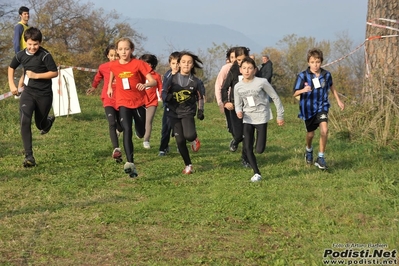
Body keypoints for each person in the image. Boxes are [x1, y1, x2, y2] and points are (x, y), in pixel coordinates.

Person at [8, 27, 58, 167]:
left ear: (40, 43)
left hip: (44, 94)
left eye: (35, 44)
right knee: (25, 120)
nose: (32, 47)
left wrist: (37, 76)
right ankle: (29, 157)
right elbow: (11, 67)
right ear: (25, 43)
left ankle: (47, 122)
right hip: (28, 93)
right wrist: (12, 85)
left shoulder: (45, 55)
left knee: (40, 124)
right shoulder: (21, 55)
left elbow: (54, 72)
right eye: (29, 44)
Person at [107, 37, 157, 177]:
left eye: (126, 49)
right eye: (121, 49)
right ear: (117, 51)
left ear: (132, 50)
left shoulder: (138, 64)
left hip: (139, 102)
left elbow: (152, 81)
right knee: (127, 129)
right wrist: (110, 86)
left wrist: (145, 84)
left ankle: (139, 132)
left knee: (141, 132)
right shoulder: (114, 65)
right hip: (123, 102)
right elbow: (112, 72)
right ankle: (130, 164)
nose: (123, 52)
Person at [293, 48, 345, 170]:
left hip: (322, 106)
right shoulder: (302, 76)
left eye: (317, 62)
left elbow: (332, 86)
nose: (315, 65)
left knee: (324, 130)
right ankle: (309, 150)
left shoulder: (326, 75)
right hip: (308, 108)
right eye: (312, 62)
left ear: (321, 62)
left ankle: (321, 157)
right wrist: (303, 90)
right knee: (310, 134)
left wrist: (338, 100)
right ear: (308, 62)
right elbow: (294, 93)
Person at [234, 57, 284, 182]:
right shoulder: (238, 86)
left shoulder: (262, 82)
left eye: (250, 68)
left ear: (255, 70)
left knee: (259, 149)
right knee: (247, 147)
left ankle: (258, 144)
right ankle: (257, 173)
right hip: (247, 118)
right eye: (244, 68)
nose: (247, 71)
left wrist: (280, 115)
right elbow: (238, 103)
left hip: (261, 117)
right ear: (240, 70)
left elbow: (275, 97)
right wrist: (238, 111)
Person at [161, 51, 205, 174]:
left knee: (189, 135)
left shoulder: (196, 81)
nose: (186, 64)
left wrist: (201, 110)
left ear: (192, 65)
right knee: (180, 141)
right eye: (184, 62)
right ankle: (188, 165)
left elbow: (200, 97)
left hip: (188, 112)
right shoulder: (171, 79)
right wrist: (166, 97)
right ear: (179, 64)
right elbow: (163, 91)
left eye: (189, 62)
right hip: (173, 113)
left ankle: (194, 140)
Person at [87, 44, 123, 163]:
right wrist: (93, 87)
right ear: (107, 56)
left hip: (122, 99)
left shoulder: (124, 67)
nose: (114, 58)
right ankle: (116, 149)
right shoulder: (103, 67)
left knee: (122, 125)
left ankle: (119, 129)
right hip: (108, 99)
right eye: (111, 55)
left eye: (116, 56)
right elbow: (98, 77)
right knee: (112, 123)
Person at [221, 46, 251, 167]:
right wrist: (225, 101)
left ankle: (246, 158)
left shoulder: (254, 69)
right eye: (238, 60)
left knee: (247, 135)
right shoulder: (233, 70)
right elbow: (224, 87)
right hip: (235, 106)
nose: (240, 62)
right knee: (239, 134)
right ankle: (235, 140)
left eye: (243, 59)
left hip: (250, 107)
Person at [139, 54, 163, 149]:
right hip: (140, 102)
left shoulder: (156, 76)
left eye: (147, 63)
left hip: (152, 102)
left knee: (148, 121)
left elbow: (160, 88)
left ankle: (146, 140)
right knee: (140, 121)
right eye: (143, 63)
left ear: (152, 64)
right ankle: (139, 130)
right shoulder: (138, 74)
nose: (145, 65)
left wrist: (163, 96)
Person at [158, 51, 180, 156]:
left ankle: (180, 146)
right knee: (166, 128)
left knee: (180, 128)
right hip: (169, 105)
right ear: (170, 64)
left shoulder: (184, 75)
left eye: (178, 63)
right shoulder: (168, 74)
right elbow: (165, 88)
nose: (176, 66)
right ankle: (163, 148)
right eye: (173, 63)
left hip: (181, 106)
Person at [215, 47, 235, 133]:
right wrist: (220, 102)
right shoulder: (226, 68)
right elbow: (219, 85)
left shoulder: (246, 68)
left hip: (243, 101)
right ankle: (235, 140)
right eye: (232, 57)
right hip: (228, 100)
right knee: (232, 126)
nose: (234, 59)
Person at [13, 6, 30, 99]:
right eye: (25, 14)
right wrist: (18, 55)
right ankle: (18, 92)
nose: (27, 15)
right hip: (23, 54)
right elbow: (16, 42)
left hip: (29, 53)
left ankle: (20, 91)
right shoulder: (19, 26)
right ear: (20, 15)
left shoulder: (27, 26)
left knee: (26, 73)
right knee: (26, 73)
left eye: (28, 13)